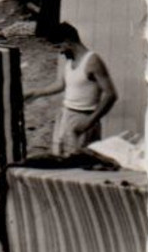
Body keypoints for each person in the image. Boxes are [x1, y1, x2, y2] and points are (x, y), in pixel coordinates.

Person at [26, 24, 118, 156]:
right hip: (65, 116)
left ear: (68, 42)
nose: (60, 52)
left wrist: (89, 121)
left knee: (78, 163)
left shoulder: (92, 61)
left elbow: (111, 95)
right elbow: (61, 85)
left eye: (59, 46)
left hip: (83, 118)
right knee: (61, 159)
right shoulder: (69, 61)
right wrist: (34, 93)